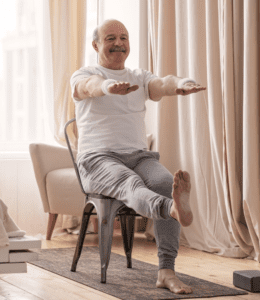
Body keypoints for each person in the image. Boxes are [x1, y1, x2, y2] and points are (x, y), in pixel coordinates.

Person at [70, 19, 206, 295]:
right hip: (98, 160)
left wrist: (180, 84)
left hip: (139, 156)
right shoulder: (84, 73)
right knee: (130, 184)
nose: (118, 43)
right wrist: (109, 87)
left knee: (166, 182)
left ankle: (166, 271)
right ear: (96, 45)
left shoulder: (138, 76)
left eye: (123, 37)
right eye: (110, 38)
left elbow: (159, 84)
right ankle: (170, 209)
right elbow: (90, 86)